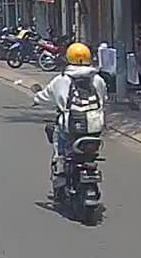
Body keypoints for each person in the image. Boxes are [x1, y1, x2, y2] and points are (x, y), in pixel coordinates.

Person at [33, 42, 108, 190]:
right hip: (95, 128)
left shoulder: (61, 80)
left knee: (59, 146)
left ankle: (60, 177)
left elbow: (44, 97)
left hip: (70, 128)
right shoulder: (98, 80)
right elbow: (103, 98)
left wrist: (36, 98)